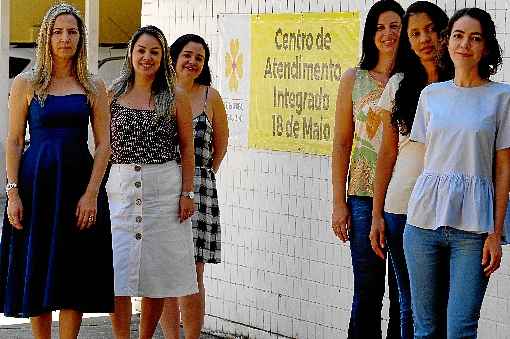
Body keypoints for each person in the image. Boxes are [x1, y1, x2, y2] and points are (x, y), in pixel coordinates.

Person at [0, 3, 113, 338]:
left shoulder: (94, 85)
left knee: (73, 270)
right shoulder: (26, 83)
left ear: (81, 38)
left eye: (72, 31)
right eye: (58, 31)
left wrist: (91, 194)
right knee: (36, 266)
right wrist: (12, 192)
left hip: (78, 186)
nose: (65, 38)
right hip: (36, 187)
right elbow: (15, 140)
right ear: (46, 37)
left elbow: (104, 145)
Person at [404, 7, 510, 338]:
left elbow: (504, 167)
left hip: (474, 230)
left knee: (460, 329)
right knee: (425, 329)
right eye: (458, 36)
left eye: (475, 38)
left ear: (486, 47)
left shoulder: (501, 97)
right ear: (448, 42)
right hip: (422, 225)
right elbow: (424, 159)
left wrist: (496, 233)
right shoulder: (431, 95)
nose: (465, 44)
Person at [107, 25, 202, 339]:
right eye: (141, 50)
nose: (146, 58)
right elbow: (100, 144)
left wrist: (187, 192)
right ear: (131, 53)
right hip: (120, 187)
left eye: (154, 52)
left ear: (163, 58)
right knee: (117, 271)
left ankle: (146, 336)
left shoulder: (175, 96)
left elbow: (187, 147)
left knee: (157, 272)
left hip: (164, 186)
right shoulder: (113, 93)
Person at [368, 2, 452, 338]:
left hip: (448, 209)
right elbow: (386, 154)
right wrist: (376, 215)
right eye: (415, 33)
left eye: (430, 29)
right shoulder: (399, 83)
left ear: (445, 31)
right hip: (401, 208)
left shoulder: (462, 83)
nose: (424, 39)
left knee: (445, 307)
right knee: (409, 306)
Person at [330, 1, 404, 338]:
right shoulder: (353, 79)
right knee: (368, 291)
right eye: (380, 27)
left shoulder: (414, 80)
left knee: (404, 297)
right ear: (370, 34)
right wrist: (338, 203)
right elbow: (342, 143)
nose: (388, 34)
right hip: (361, 196)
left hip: (405, 197)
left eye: (395, 26)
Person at [159, 34, 228, 338]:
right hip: (161, 188)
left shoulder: (210, 97)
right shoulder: (159, 94)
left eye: (200, 58)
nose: (193, 62)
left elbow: (221, 145)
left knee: (193, 272)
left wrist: (200, 177)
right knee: (162, 274)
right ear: (173, 57)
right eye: (187, 55)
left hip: (199, 192)